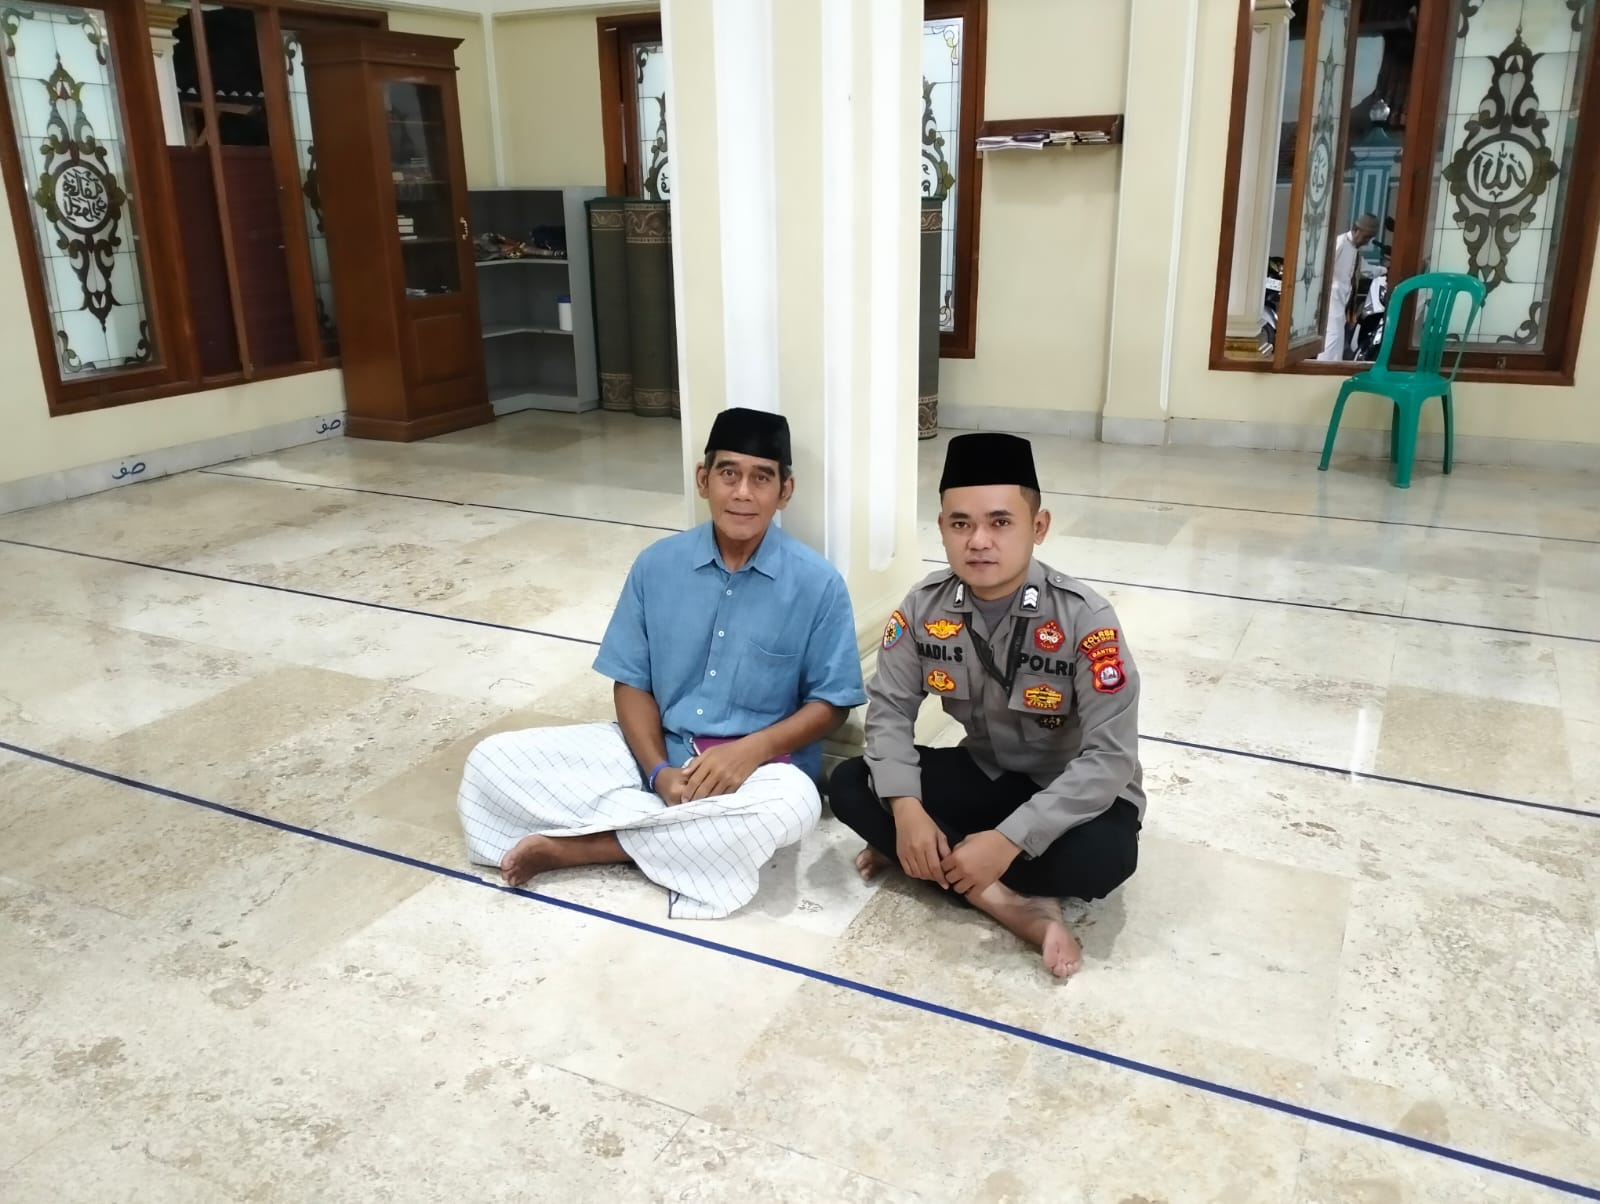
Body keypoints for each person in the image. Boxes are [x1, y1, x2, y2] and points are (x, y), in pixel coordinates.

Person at [456, 407, 866, 919]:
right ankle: (673, 832)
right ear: (703, 479)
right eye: (728, 473)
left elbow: (832, 704)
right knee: (491, 761)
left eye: (762, 478)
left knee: (791, 809)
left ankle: (588, 846)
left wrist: (750, 750)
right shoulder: (657, 565)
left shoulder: (818, 584)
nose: (743, 492)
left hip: (761, 773)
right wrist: (657, 773)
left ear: (785, 491)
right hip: (656, 753)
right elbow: (631, 682)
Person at [828, 432, 1145, 978]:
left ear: (1038, 527)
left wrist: (1008, 840)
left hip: (1069, 791)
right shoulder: (923, 608)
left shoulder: (1084, 618)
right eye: (961, 524)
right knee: (851, 784)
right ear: (942, 527)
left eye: (1000, 522)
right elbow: (889, 714)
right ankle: (1007, 902)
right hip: (989, 773)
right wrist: (906, 811)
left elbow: (1110, 759)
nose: (979, 541)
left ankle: (939, 861)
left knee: (1105, 859)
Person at [1318, 213, 1379, 361]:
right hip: (1330, 302)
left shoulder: (1354, 250)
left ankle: (1331, 372)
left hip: (1342, 305)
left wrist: (1385, 270)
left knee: (1338, 343)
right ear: (1356, 230)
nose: (1366, 242)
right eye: (1366, 237)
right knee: (1331, 341)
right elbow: (1321, 266)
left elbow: (1366, 269)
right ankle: (1320, 372)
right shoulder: (1340, 243)